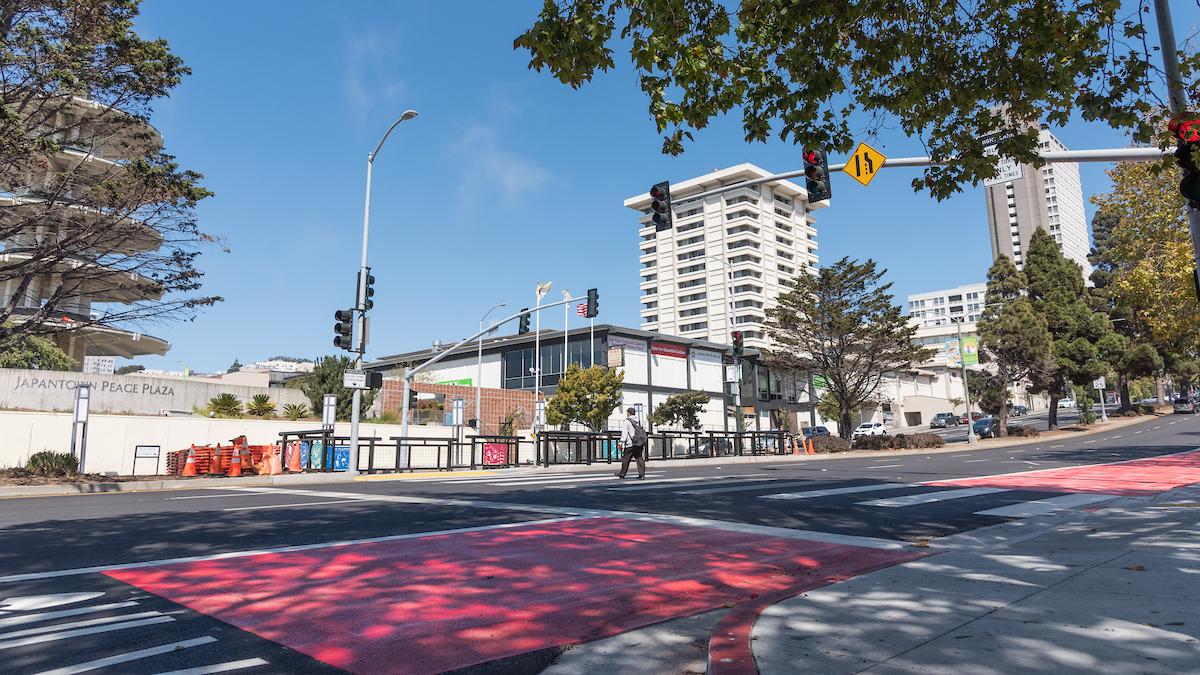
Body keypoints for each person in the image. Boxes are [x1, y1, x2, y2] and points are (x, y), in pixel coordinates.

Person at [616, 407, 647, 479]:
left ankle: (622, 474)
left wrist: (621, 442)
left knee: (626, 459)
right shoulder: (639, 421)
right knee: (639, 458)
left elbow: (624, 433)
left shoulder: (627, 421)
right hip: (639, 443)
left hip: (630, 443)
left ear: (628, 413)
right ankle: (642, 474)